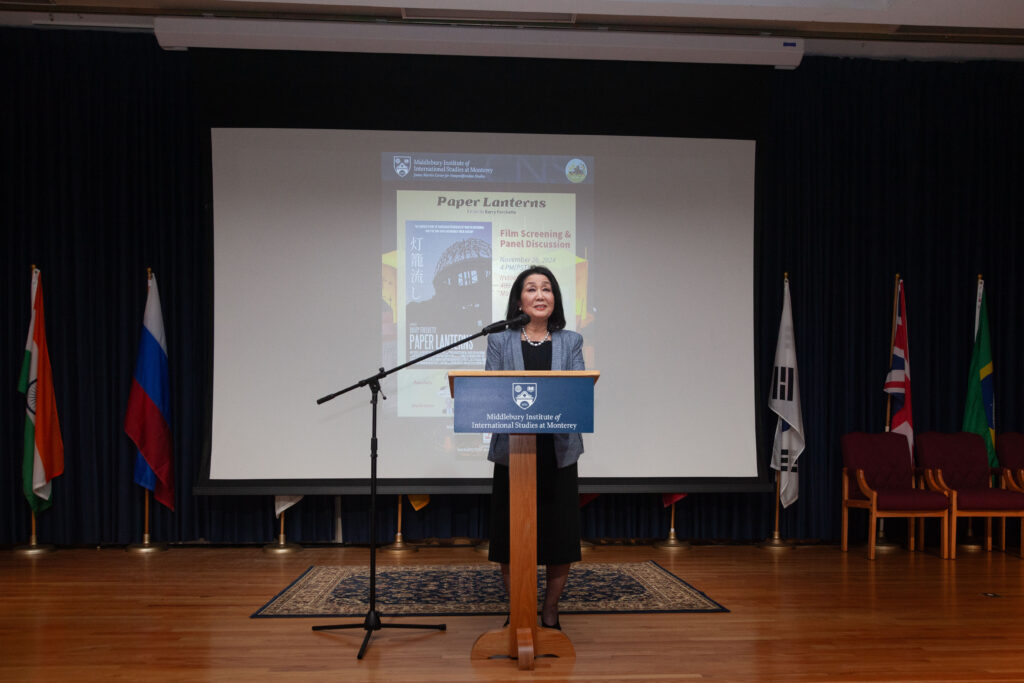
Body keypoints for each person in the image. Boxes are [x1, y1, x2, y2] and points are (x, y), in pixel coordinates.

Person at [486, 265, 585, 631]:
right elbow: (491, 394)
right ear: (519, 299)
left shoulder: (571, 341)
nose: (540, 295)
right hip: (515, 454)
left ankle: (550, 610)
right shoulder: (499, 341)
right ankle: (519, 610)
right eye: (531, 289)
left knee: (559, 538)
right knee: (511, 536)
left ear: (554, 299)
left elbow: (578, 392)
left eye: (546, 289)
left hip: (557, 454)